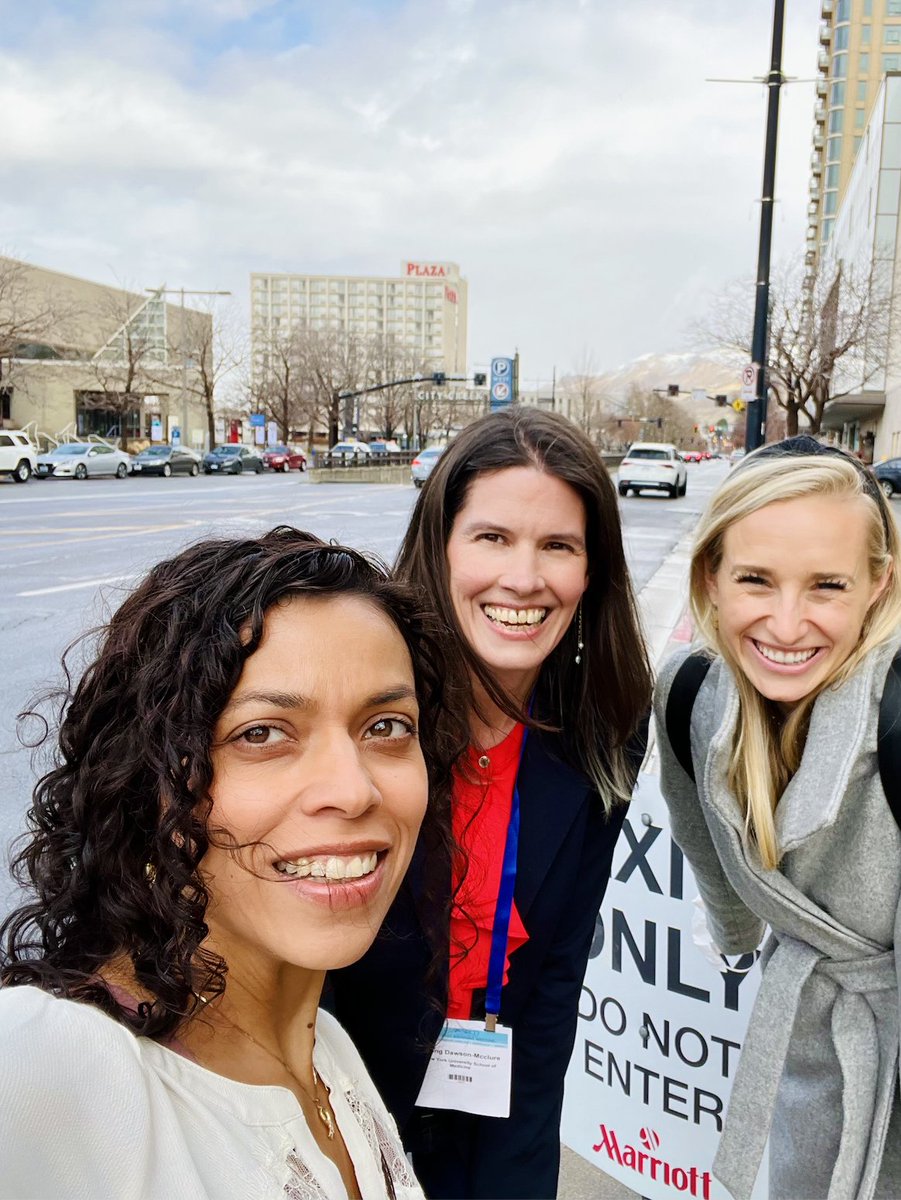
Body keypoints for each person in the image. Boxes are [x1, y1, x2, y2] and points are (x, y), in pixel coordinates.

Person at [0, 526, 459, 1200]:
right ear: (146, 781)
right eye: (262, 734)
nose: (354, 790)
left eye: (385, 726)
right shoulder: (47, 1064)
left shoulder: (326, 1050)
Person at [329, 407, 652, 1200]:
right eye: (492, 538)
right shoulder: (356, 711)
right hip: (336, 1106)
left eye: (558, 547)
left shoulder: (604, 733)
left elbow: (547, 1003)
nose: (523, 579)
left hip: (492, 1100)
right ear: (439, 549)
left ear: (591, 571)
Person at [654, 437, 901, 1200]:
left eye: (825, 585)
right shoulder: (689, 695)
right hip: (806, 1046)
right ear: (711, 580)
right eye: (756, 580)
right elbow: (705, 841)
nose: (787, 625)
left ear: (876, 585)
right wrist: (734, 940)